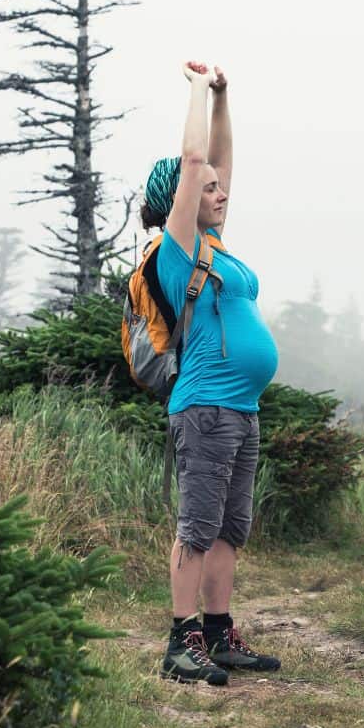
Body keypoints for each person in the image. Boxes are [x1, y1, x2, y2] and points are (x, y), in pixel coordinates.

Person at [141, 61, 281, 685]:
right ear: (184, 198)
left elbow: (217, 157)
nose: (220, 191)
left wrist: (225, 97)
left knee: (229, 528)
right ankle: (180, 643)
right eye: (209, 188)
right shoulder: (178, 250)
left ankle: (220, 635)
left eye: (222, 187)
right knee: (196, 529)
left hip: (241, 411)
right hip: (204, 409)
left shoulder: (218, 246)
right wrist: (196, 88)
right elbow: (196, 160)